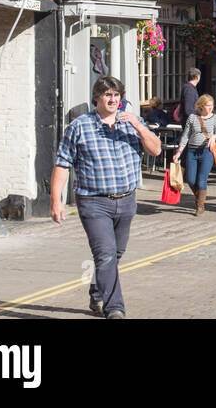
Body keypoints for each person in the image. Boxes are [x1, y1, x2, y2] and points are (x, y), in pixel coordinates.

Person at [50, 75, 161, 318]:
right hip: (94, 201)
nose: (113, 99)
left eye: (116, 95)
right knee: (106, 254)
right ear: (97, 98)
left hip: (127, 200)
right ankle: (115, 309)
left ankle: (97, 290)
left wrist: (139, 126)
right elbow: (62, 164)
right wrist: (56, 201)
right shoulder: (80, 126)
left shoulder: (131, 123)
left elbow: (156, 149)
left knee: (116, 254)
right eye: (107, 95)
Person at [172, 94, 216, 216]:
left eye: (212, 106)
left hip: (207, 152)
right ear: (201, 106)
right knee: (190, 179)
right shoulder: (192, 117)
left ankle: (200, 206)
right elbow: (185, 136)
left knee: (201, 181)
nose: (210, 108)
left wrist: (214, 137)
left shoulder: (215, 118)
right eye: (207, 106)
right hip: (192, 151)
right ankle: (200, 197)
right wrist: (178, 152)